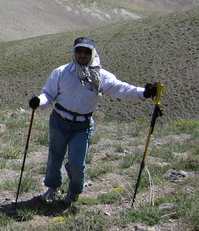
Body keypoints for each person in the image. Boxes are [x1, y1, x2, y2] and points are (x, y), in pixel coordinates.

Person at [28, 37, 158, 203]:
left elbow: (122, 89)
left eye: (87, 51)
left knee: (77, 163)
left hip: (82, 125)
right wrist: (39, 102)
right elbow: (48, 94)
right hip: (59, 121)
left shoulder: (101, 77)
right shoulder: (61, 72)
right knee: (55, 158)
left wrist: (143, 93)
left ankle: (74, 192)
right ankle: (52, 188)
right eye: (79, 51)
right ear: (73, 52)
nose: (82, 55)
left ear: (93, 54)